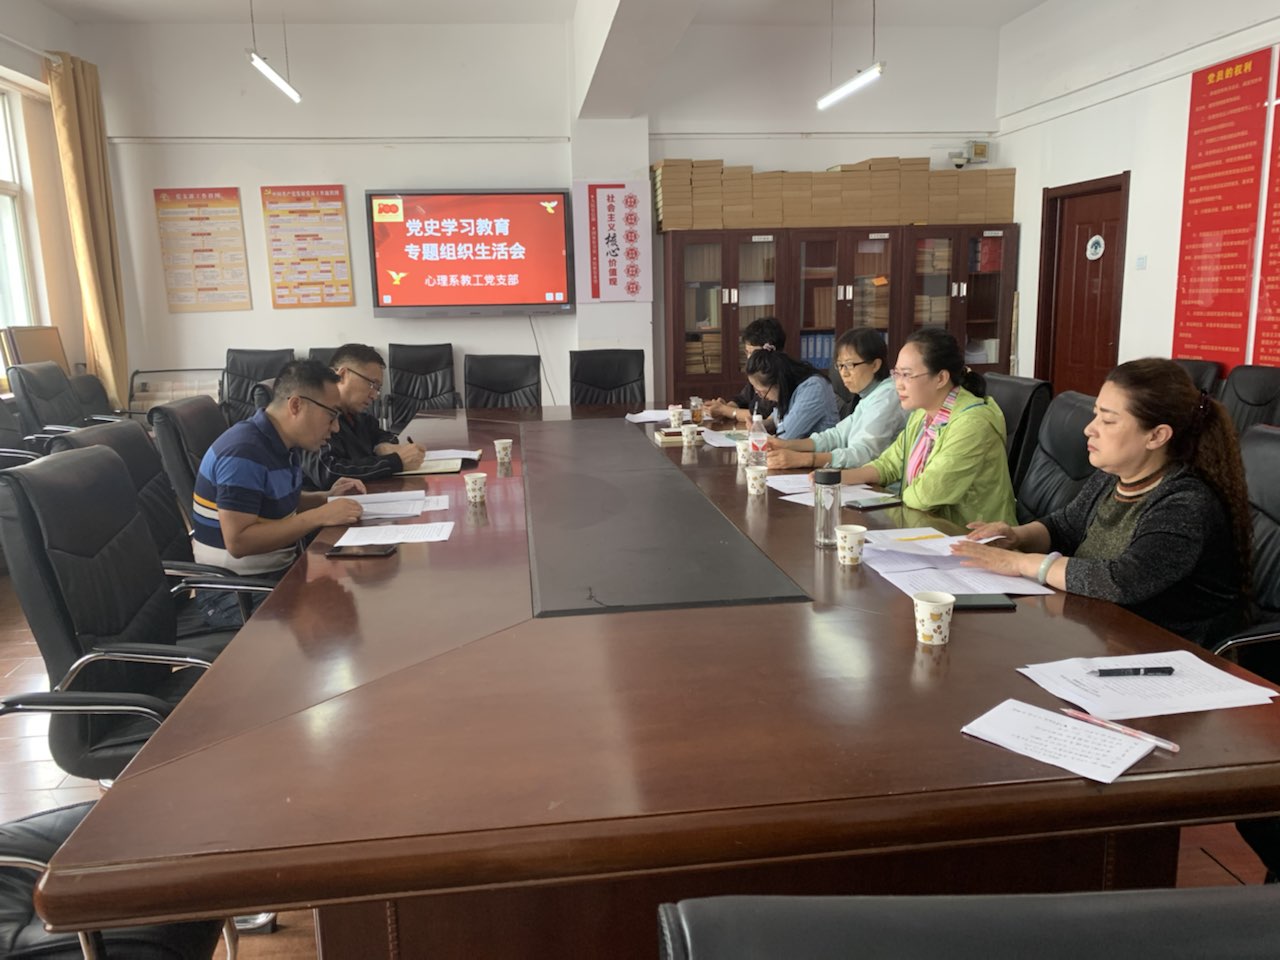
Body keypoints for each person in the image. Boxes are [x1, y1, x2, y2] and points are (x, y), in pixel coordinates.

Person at [953, 357, 1251, 648]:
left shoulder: (1185, 505)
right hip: (1099, 629)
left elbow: (1121, 581)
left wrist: (1018, 562)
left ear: (1157, 436)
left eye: (1107, 420)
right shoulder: (1112, 477)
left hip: (1167, 651)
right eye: (1096, 414)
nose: (1089, 428)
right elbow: (1064, 527)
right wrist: (1016, 536)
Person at [192, 359, 366, 581]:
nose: (336, 427)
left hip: (278, 573)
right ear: (296, 406)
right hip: (240, 588)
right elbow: (239, 542)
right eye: (331, 415)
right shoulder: (243, 452)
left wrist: (327, 498)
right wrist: (320, 516)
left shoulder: (282, 443)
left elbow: (274, 502)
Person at [837, 327, 1016, 528]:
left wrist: (889, 498)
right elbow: (888, 464)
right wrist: (835, 479)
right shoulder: (922, 414)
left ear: (941, 378)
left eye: (907, 375)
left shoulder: (973, 424)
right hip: (928, 528)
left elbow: (926, 495)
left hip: (971, 536)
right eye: (897, 374)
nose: (898, 384)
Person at [764, 327, 905, 469]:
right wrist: (786, 445)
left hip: (880, 482)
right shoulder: (870, 395)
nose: (844, 373)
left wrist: (804, 459)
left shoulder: (887, 397)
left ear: (875, 365)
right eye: (840, 365)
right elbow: (837, 436)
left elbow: (863, 455)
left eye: (850, 365)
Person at [300, 342, 425, 490]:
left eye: (378, 388)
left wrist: (383, 447)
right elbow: (329, 472)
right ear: (342, 375)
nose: (375, 395)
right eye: (372, 384)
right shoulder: (314, 415)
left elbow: (383, 435)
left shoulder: (357, 416)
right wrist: (395, 462)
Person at [744, 344, 840, 439]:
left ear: (778, 383)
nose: (760, 395)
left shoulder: (813, 388)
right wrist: (761, 425)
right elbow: (778, 417)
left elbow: (785, 438)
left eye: (762, 392)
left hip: (817, 449)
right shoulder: (790, 387)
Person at [704, 316, 785, 424]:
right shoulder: (756, 374)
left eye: (753, 353)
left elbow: (763, 415)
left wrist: (725, 411)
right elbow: (741, 399)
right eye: (747, 352)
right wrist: (724, 407)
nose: (749, 358)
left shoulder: (779, 377)